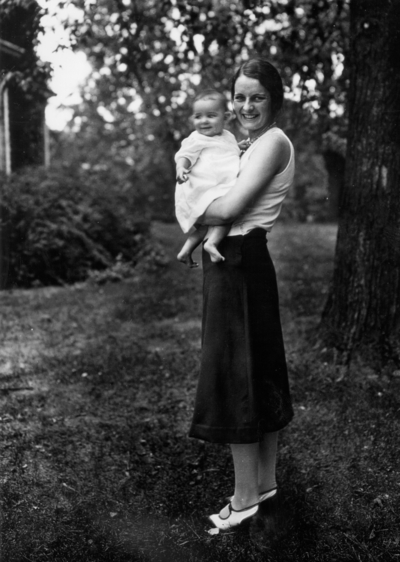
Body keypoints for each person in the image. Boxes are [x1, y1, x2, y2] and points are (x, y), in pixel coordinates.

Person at [188, 57, 295, 531]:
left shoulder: (272, 143)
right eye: (240, 97)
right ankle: (265, 482)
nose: (247, 105)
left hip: (240, 264)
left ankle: (245, 497)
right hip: (237, 261)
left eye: (257, 97)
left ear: (274, 100)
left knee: (238, 380)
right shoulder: (247, 144)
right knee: (258, 373)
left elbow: (231, 205)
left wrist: (191, 209)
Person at [175, 90, 240, 267]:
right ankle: (212, 243)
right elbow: (185, 154)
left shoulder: (228, 137)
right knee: (226, 217)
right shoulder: (196, 138)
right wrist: (181, 167)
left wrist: (239, 147)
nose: (204, 121)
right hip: (203, 188)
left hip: (217, 188)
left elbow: (229, 150)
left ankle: (185, 251)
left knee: (205, 226)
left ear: (225, 117)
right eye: (198, 116)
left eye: (211, 116)